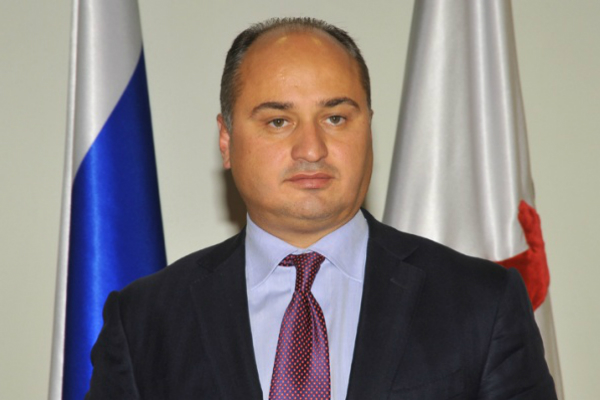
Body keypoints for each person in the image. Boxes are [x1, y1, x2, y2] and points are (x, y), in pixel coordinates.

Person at [86, 17, 557, 399]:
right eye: (278, 121)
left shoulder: (482, 303)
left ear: (367, 128)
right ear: (227, 141)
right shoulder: (144, 320)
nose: (311, 149)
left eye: (335, 118)